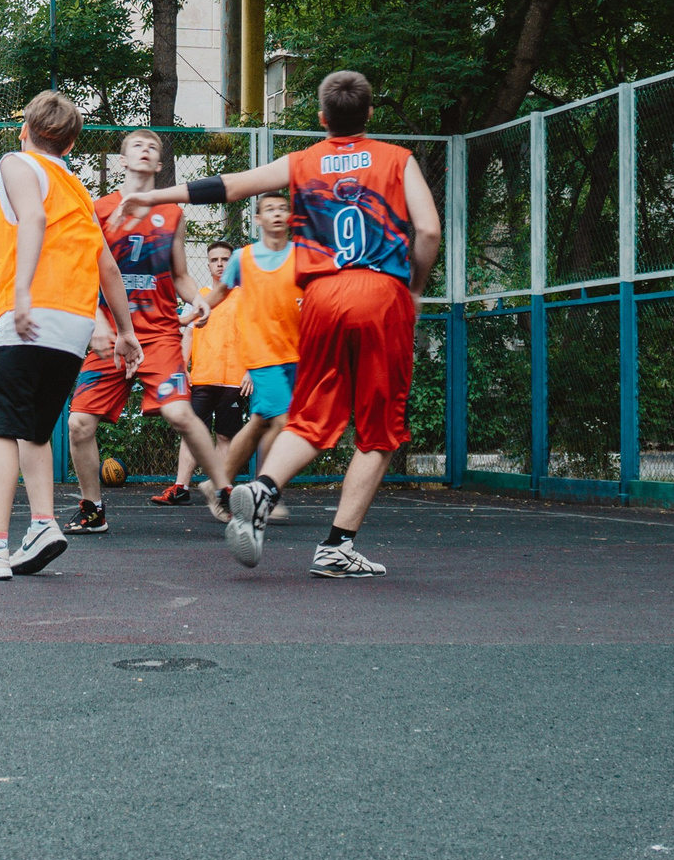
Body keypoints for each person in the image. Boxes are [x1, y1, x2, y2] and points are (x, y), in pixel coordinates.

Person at [118, 70, 439, 578]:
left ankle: (263, 488)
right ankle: (336, 545)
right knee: (379, 432)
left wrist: (154, 197)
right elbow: (427, 228)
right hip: (381, 295)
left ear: (322, 119)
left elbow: (227, 187)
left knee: (311, 416)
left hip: (323, 297)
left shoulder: (303, 161)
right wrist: (413, 289)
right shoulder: (398, 159)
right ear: (370, 115)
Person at [0, 90, 137, 581]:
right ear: (70, 146)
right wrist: (126, 330)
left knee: (0, 429)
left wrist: (21, 291)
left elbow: (33, 218)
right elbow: (106, 262)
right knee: (35, 429)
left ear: (25, 129)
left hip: (29, 314)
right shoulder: (77, 187)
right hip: (73, 325)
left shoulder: (18, 163)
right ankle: (43, 524)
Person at [65, 129, 233, 532]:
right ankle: (93, 510)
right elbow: (85, 275)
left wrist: (199, 299)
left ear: (160, 164)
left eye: (152, 147)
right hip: (111, 335)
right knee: (78, 424)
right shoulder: (98, 210)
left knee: (179, 413)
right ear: (122, 160)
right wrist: (101, 324)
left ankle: (224, 492)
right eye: (136, 145)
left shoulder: (173, 213)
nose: (144, 150)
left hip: (158, 333)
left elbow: (179, 275)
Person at [199, 191, 302, 488]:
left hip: (294, 351)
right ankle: (266, 490)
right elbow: (218, 293)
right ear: (258, 219)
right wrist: (194, 313)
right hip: (262, 353)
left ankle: (217, 483)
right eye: (270, 209)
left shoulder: (302, 255)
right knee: (285, 424)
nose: (278, 213)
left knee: (260, 422)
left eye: (283, 208)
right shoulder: (244, 258)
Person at [155, 244, 243, 504]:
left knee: (226, 436)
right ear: (207, 265)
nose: (219, 264)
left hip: (234, 379)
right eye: (214, 259)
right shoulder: (200, 297)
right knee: (192, 433)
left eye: (225, 259)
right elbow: (188, 334)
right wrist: (182, 367)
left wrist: (250, 370)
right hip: (202, 377)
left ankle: (221, 492)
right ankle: (180, 488)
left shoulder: (246, 297)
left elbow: (255, 336)